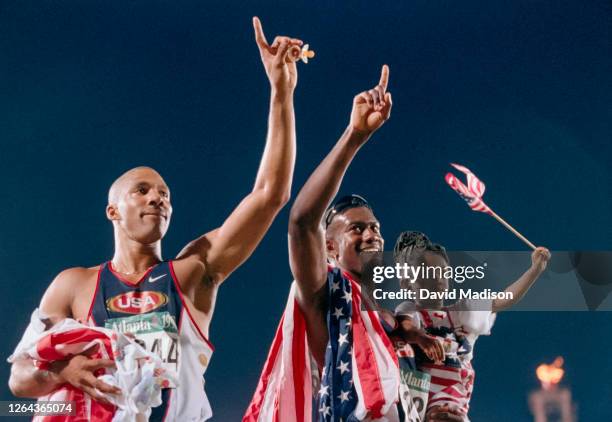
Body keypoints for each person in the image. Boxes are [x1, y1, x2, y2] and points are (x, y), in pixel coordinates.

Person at [9, 16, 302, 421]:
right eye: (142, 191)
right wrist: (64, 370)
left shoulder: (194, 271)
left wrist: (281, 92)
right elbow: (20, 377)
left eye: (164, 194)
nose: (157, 199)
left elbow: (270, 195)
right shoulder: (74, 285)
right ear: (113, 211)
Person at [393, 231, 551, 421]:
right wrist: (422, 339)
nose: (438, 279)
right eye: (428, 273)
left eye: (442, 273)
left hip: (456, 402)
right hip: (425, 404)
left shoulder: (462, 312)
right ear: (407, 284)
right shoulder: (411, 310)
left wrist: (534, 270)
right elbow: (406, 327)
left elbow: (503, 300)